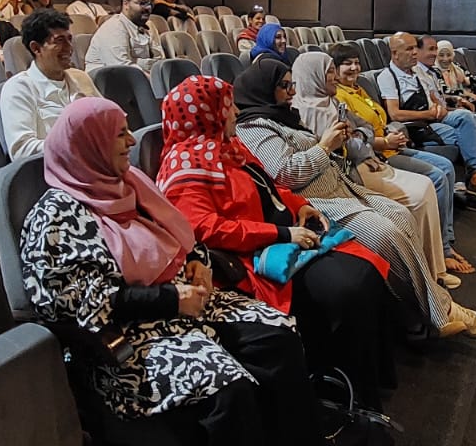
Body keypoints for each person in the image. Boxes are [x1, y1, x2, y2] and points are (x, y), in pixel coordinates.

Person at [19, 98, 317, 445]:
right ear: (92, 145)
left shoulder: (131, 183)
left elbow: (184, 236)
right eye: (120, 135)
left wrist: (198, 263)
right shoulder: (55, 217)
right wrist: (170, 299)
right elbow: (78, 304)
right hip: (127, 334)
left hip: (187, 302)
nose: (132, 141)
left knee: (277, 338)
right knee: (228, 389)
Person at [158, 75, 396, 408]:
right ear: (206, 115)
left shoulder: (228, 146)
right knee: (350, 286)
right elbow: (204, 229)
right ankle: (344, 392)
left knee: (366, 268)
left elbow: (270, 187)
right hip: (251, 257)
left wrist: (300, 206)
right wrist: (282, 233)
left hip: (286, 237)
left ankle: (366, 380)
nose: (235, 112)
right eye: (227, 107)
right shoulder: (185, 166)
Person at [232, 60, 476, 340]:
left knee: (401, 215)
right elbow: (285, 174)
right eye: (284, 86)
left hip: (340, 187)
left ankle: (422, 307)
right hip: (316, 203)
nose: (292, 92)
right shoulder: (254, 126)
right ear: (264, 88)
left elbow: (360, 131)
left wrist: (339, 144)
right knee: (386, 234)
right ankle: (441, 311)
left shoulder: (284, 115)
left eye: (292, 84)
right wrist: (325, 146)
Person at [291, 52, 455, 288]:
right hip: (347, 174)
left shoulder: (333, 102)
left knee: (428, 185)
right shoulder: (304, 113)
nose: (334, 76)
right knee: (418, 196)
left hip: (366, 161)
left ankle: (436, 268)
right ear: (313, 76)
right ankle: (424, 275)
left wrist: (359, 137)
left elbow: (364, 128)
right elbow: (344, 151)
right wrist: (362, 143)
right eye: (330, 71)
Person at [328, 43, 472, 275]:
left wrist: (391, 133)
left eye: (356, 62)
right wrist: (385, 141)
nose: (354, 68)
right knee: (436, 176)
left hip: (391, 145)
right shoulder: (339, 97)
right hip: (376, 155)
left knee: (446, 167)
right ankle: (442, 250)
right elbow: (353, 139)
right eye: (347, 64)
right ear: (334, 69)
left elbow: (374, 123)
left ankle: (445, 241)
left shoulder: (359, 89)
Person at [378, 33, 476, 205]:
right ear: (395, 53)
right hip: (417, 127)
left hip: (434, 118)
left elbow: (433, 96)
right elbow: (395, 114)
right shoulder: (387, 77)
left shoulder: (416, 72)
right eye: (409, 49)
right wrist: (428, 114)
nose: (414, 52)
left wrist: (439, 107)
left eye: (415, 48)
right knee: (468, 126)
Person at [0, 9, 99, 158]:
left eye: (69, 39)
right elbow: (21, 150)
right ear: (36, 48)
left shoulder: (81, 77)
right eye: (60, 41)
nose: (69, 48)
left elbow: (107, 119)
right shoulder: (18, 88)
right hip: (56, 168)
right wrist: (78, 145)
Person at [84, 0, 164, 73]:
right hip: (107, 78)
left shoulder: (150, 26)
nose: (147, 8)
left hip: (137, 75)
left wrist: (139, 63)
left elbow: (159, 60)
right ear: (126, 4)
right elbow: (122, 67)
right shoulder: (114, 27)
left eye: (149, 4)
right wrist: (152, 76)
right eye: (142, 3)